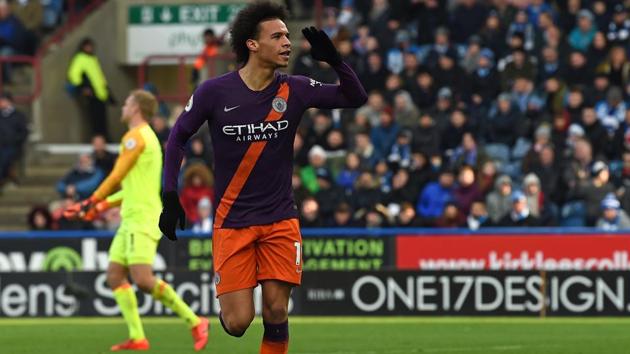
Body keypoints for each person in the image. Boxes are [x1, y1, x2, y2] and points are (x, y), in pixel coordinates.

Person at [159, 2, 367, 354]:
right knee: (239, 323)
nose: (287, 42)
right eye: (278, 36)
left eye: (288, 35)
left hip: (280, 219)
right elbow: (177, 136)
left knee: (275, 311)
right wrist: (169, 194)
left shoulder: (296, 88)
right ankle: (228, 307)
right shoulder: (215, 91)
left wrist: (336, 62)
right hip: (233, 221)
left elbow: (355, 97)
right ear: (252, 45)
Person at [63, 90, 208, 351]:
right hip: (132, 216)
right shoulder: (148, 138)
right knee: (115, 275)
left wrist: (91, 201)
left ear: (137, 108)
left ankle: (195, 320)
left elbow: (117, 174)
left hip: (141, 217)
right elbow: (134, 187)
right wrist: (103, 205)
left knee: (142, 279)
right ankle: (137, 337)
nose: (123, 107)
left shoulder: (135, 137)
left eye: (127, 102)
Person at [66, 37, 113, 141]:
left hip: (100, 93)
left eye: (91, 46)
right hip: (90, 93)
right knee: (94, 119)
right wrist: (83, 88)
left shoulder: (93, 58)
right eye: (88, 46)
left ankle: (104, 138)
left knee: (102, 118)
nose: (90, 48)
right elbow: (74, 75)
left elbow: (99, 77)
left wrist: (108, 92)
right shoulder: (80, 58)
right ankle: (97, 139)